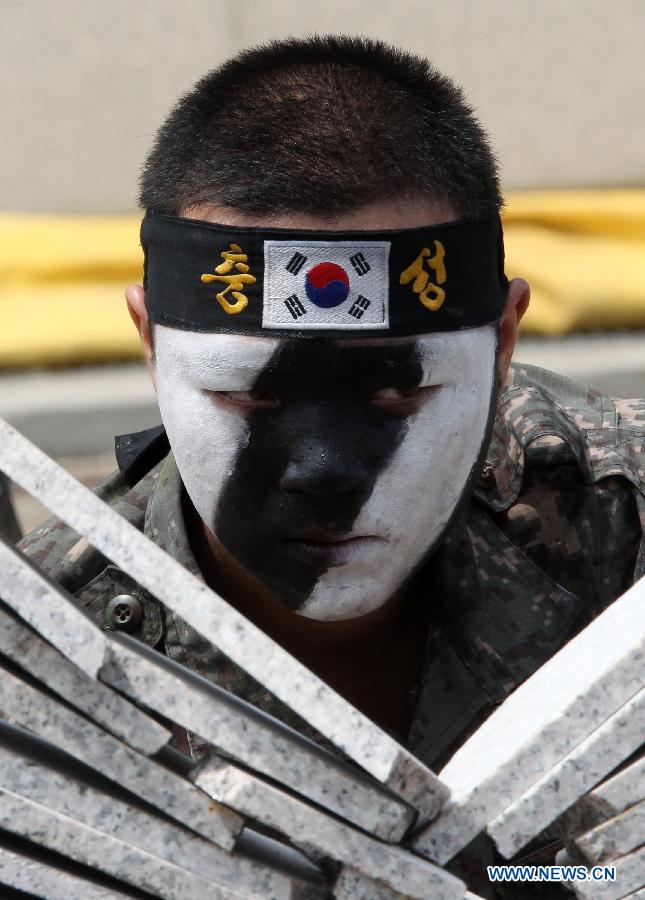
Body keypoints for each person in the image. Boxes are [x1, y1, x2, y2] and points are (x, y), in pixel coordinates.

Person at [19, 36, 644, 897]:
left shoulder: (627, 521)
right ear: (149, 342)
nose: (322, 473)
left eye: (400, 398)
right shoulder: (53, 654)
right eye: (249, 400)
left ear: (503, 339)